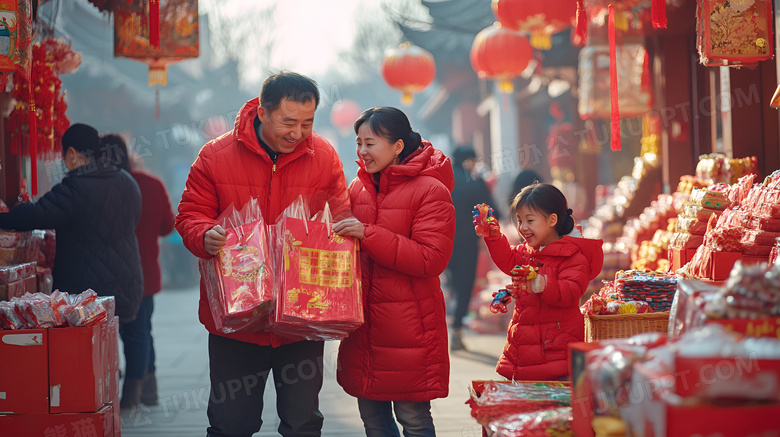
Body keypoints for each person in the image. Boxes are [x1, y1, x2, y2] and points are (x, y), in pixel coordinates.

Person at [175, 71, 349, 437]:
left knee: (303, 424)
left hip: (301, 320)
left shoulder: (325, 156)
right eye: (288, 122)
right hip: (236, 321)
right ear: (263, 111)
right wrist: (204, 236)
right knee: (230, 424)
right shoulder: (215, 155)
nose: (297, 133)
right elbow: (191, 213)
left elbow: (342, 217)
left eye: (307, 123)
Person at [333, 106, 455, 437]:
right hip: (364, 328)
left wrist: (367, 235)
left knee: (413, 419)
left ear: (398, 145)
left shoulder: (431, 191)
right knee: (373, 420)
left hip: (409, 331)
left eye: (370, 143)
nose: (362, 152)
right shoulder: (357, 188)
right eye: (358, 143)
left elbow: (431, 259)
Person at [0, 123, 144, 396]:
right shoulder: (127, 181)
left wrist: (3, 217)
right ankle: (115, 396)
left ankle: (94, 401)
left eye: (64, 154)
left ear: (73, 154)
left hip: (87, 285)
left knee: (88, 352)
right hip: (127, 278)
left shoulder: (76, 187)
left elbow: (37, 215)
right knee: (109, 342)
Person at [475, 183, 603, 381]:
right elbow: (508, 260)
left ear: (552, 220)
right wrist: (493, 237)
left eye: (530, 220)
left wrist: (541, 283)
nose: (523, 228)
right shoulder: (529, 252)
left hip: (555, 354)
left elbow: (570, 292)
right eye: (519, 221)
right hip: (524, 350)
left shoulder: (573, 256)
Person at [101, 133, 175, 409]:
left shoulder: (106, 188)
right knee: (142, 330)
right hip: (146, 272)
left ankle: (132, 394)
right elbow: (168, 226)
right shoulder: (152, 184)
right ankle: (147, 390)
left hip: (112, 273)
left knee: (131, 333)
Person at [446, 146, 498, 351]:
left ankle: (448, 328)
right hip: (468, 244)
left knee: (449, 287)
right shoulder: (476, 183)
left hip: (442, 244)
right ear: (470, 160)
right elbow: (492, 213)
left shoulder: (443, 183)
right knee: (464, 287)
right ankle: (457, 330)